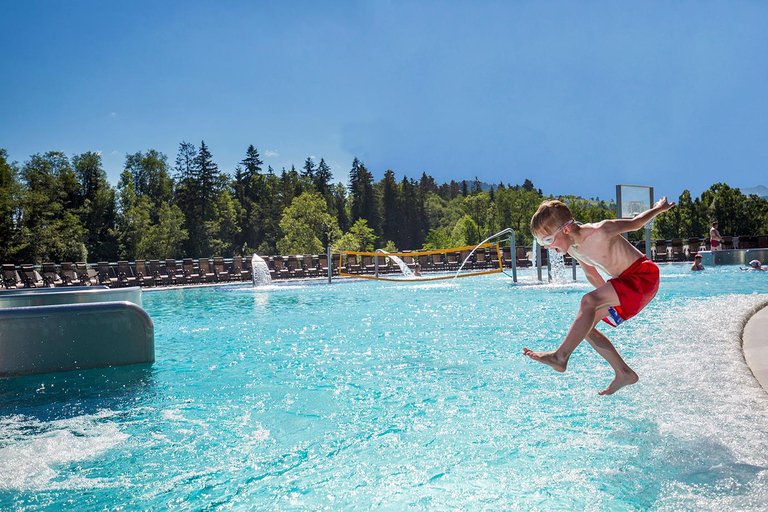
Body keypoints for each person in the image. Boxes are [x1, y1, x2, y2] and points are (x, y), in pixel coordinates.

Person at [523, 196, 676, 395]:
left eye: (548, 240)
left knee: (588, 301)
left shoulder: (601, 231)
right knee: (584, 327)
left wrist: (658, 209)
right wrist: (607, 302)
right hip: (624, 284)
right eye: (540, 241)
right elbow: (591, 274)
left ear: (566, 229)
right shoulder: (574, 249)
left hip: (643, 275)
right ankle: (623, 373)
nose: (545, 246)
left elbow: (636, 224)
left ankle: (560, 357)